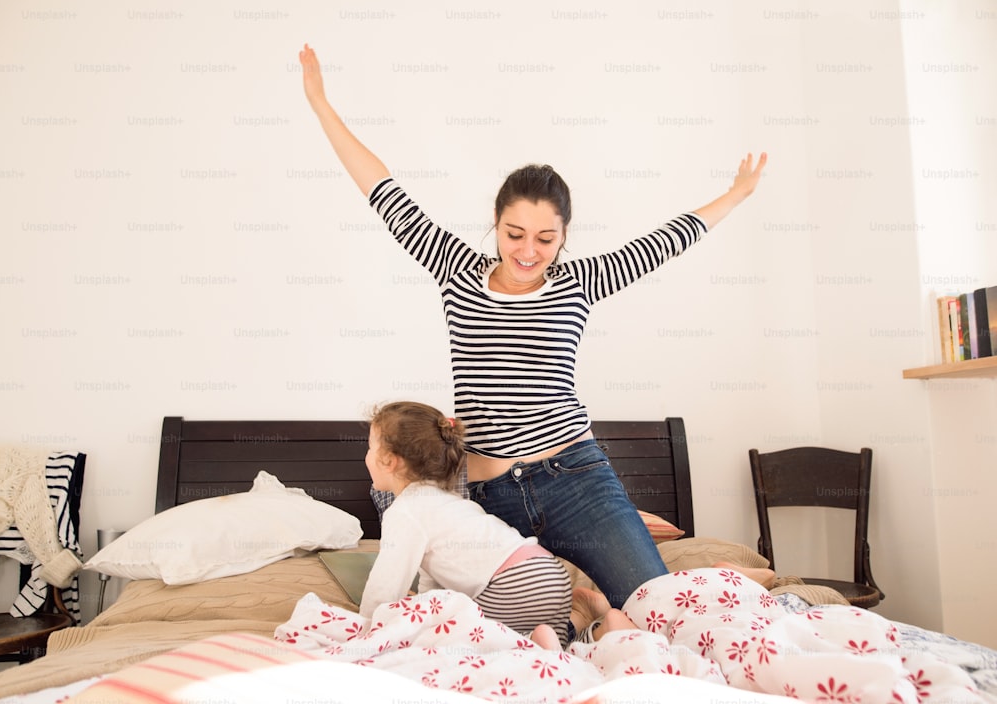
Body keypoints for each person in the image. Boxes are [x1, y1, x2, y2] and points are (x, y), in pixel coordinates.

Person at [299, 43, 767, 611]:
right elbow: (383, 191)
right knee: (466, 635)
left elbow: (668, 240)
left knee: (659, 608)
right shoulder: (456, 269)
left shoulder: (582, 281)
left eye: (545, 238)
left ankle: (698, 591)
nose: (527, 251)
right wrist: (321, 103)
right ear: (495, 225)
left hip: (579, 481)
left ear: (565, 235)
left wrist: (737, 194)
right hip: (488, 499)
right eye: (513, 233)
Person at [360, 401, 574, 647]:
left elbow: (385, 584)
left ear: (388, 460)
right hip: (549, 574)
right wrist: (424, 601)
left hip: (510, 585)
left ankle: (529, 642)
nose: (366, 454)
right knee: (558, 650)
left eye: (369, 447)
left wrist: (364, 629)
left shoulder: (405, 511)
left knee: (449, 639)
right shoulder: (448, 501)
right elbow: (434, 579)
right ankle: (591, 630)